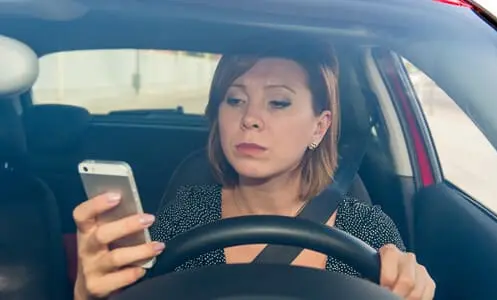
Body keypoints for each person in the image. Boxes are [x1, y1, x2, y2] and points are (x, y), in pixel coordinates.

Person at [73, 37, 436, 300]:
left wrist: (411, 289)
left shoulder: (368, 230)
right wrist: (90, 295)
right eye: (235, 100)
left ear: (319, 126)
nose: (250, 118)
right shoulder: (185, 218)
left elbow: (403, 284)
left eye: (278, 102)